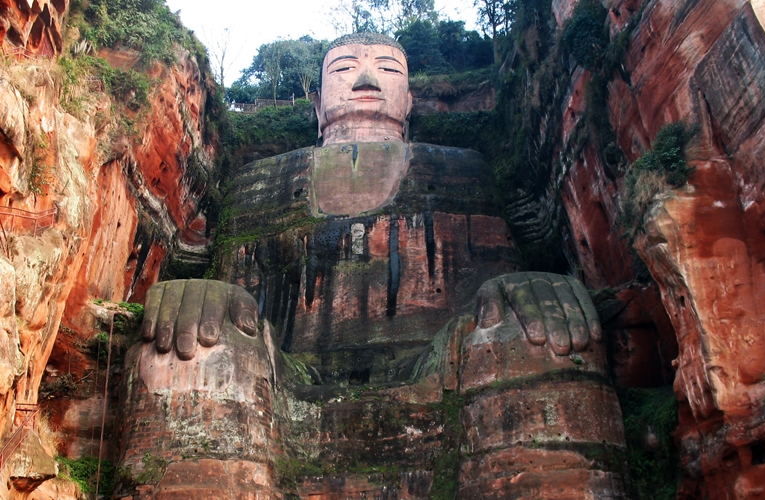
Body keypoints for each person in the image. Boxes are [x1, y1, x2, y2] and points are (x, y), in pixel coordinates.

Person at [116, 34, 626, 499]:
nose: (364, 80)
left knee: (534, 335)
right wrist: (203, 295)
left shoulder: (460, 167)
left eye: (387, 69)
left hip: (439, 366)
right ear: (318, 105)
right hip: (284, 374)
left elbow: (493, 293)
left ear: (410, 102)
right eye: (343, 70)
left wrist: (530, 289)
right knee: (198, 346)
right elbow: (238, 304)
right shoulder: (258, 181)